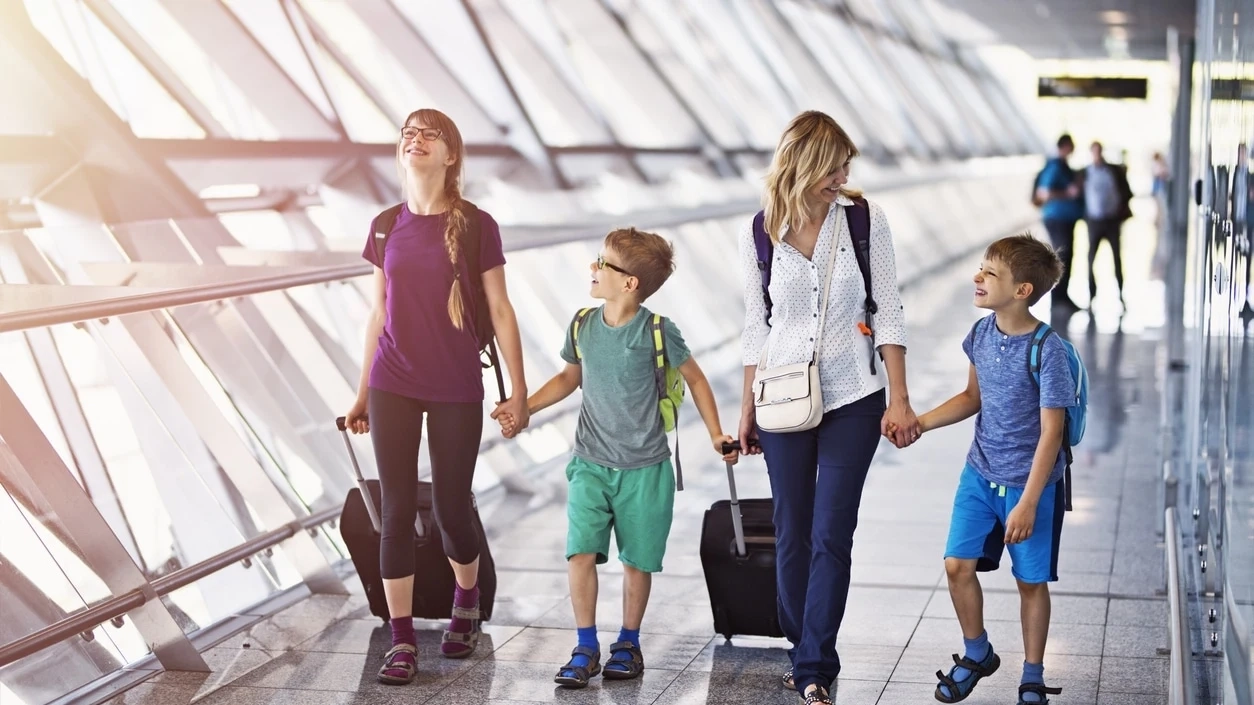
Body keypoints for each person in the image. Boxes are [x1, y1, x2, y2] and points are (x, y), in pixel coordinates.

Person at [499, 228, 737, 688]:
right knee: (579, 552)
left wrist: (715, 434)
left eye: (603, 263)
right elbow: (569, 379)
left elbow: (698, 380)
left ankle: (628, 641)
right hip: (590, 462)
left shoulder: (658, 330)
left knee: (637, 562)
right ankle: (585, 645)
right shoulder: (582, 324)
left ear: (629, 283)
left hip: (646, 468)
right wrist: (525, 409)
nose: (593, 268)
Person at [342, 109, 530, 685]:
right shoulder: (383, 225)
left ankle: (466, 601)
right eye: (408, 133)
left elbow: (499, 310)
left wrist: (519, 393)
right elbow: (379, 313)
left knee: (451, 509)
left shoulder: (477, 225)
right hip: (392, 382)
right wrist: (362, 392)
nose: (415, 140)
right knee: (395, 513)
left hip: (454, 385)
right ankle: (401, 642)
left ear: (451, 156)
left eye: (430, 134)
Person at [737, 111, 916, 705]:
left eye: (846, 165)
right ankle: (801, 643)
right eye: (833, 165)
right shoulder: (760, 233)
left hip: (855, 398)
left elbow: (887, 309)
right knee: (791, 530)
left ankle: (815, 663)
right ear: (804, 162)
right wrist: (745, 410)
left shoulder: (864, 220)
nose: (842, 176)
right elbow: (755, 328)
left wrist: (899, 398)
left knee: (831, 532)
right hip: (782, 397)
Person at [912, 234, 1074, 705]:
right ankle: (977, 651)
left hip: (1032, 487)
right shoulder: (981, 334)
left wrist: (1027, 502)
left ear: (1022, 290)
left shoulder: (1048, 350)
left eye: (990, 273)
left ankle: (1032, 676)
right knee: (956, 565)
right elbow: (971, 398)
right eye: (981, 268)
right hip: (979, 474)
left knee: (1030, 582)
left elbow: (1052, 434)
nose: (977, 278)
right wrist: (920, 423)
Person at [1034, 134, 1084, 310]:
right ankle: (1058, 297)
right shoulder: (1055, 166)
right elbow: (1044, 192)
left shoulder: (1064, 166)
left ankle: (1063, 295)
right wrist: (1068, 194)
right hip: (1057, 218)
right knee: (1062, 256)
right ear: (1065, 146)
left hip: (1065, 217)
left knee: (1067, 256)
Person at [1084, 141, 1133, 308]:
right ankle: (1091, 296)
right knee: (1091, 259)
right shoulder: (1085, 173)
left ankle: (1121, 294)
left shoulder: (1113, 171)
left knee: (1117, 259)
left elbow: (1126, 192)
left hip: (1112, 220)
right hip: (1094, 221)